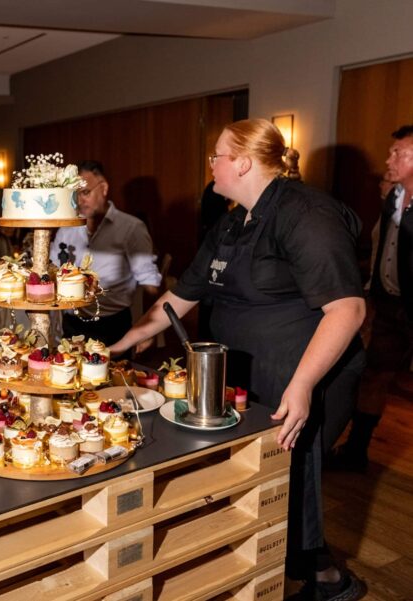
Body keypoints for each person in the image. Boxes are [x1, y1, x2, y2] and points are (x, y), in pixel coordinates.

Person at [109, 119, 366, 601]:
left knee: (287, 481)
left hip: (305, 375)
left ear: (243, 162)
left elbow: (348, 308)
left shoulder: (305, 213)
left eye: (216, 156)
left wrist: (303, 384)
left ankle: (325, 581)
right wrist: (127, 340)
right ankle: (256, 570)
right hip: (246, 373)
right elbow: (182, 295)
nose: (211, 165)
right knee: (250, 480)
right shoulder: (231, 220)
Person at [331, 125, 413, 471]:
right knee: (374, 374)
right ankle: (357, 450)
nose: (388, 158)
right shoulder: (393, 197)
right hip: (390, 305)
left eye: (399, 153)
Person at [52, 160, 162, 344]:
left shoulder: (131, 228)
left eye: (85, 192)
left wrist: (148, 329)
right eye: (75, 194)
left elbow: (149, 281)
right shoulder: (66, 229)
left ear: (103, 188)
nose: (79, 201)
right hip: (72, 324)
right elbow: (53, 268)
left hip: (112, 326)